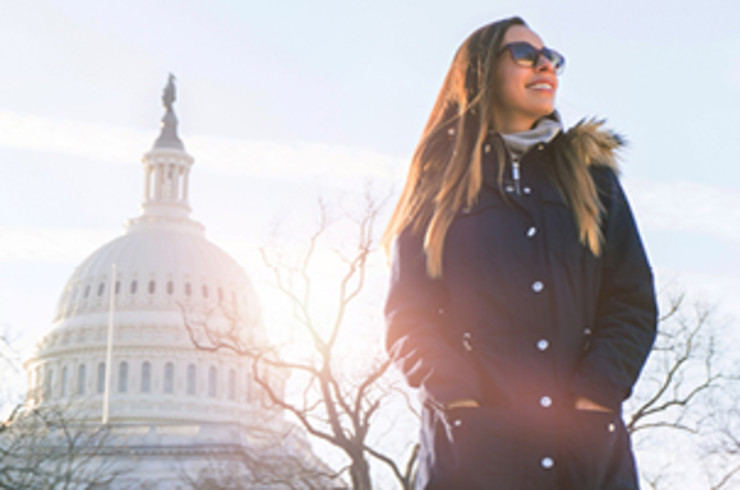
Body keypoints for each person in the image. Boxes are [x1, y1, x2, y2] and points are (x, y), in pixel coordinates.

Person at [383, 17, 657, 489]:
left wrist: (595, 395)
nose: (546, 64)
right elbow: (409, 316)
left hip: (586, 453)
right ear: (482, 71)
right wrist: (460, 400)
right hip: (472, 454)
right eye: (526, 55)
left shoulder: (592, 179)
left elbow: (631, 298)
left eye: (552, 56)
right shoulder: (437, 185)